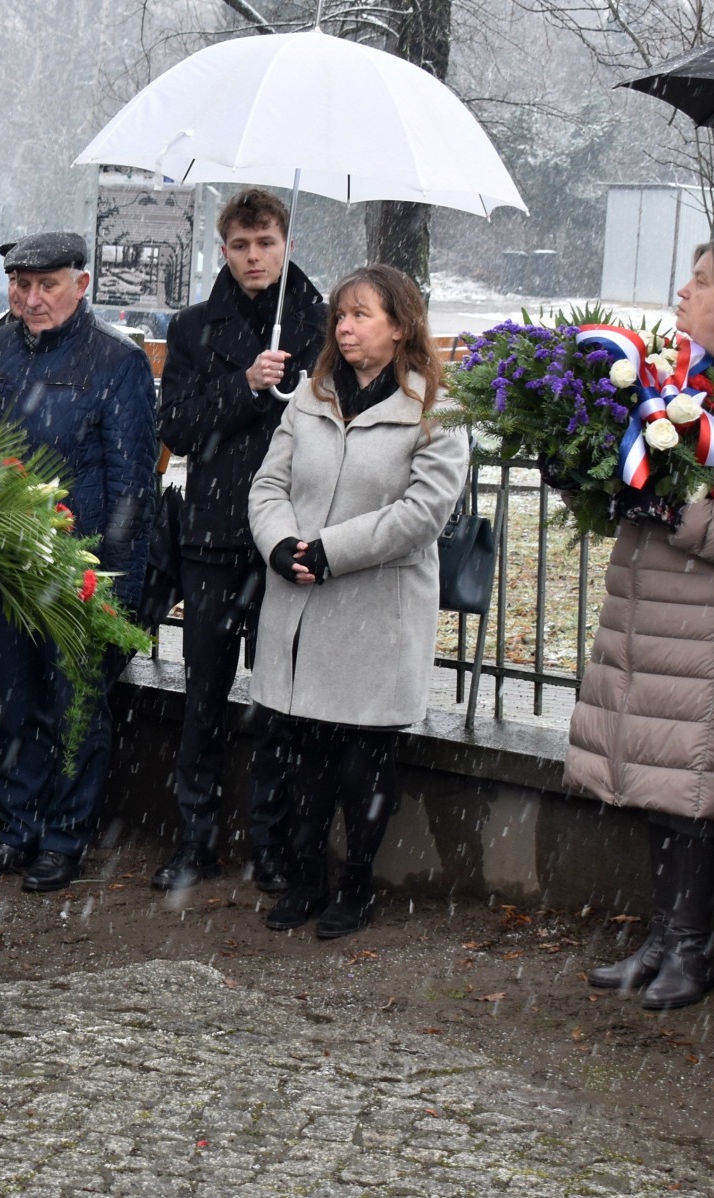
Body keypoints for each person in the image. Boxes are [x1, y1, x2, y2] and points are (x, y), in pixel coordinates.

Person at [568, 235, 714, 1010]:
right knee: (665, 793)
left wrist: (667, 506)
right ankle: (661, 941)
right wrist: (594, 473)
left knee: (695, 797)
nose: (683, 294)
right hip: (662, 621)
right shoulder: (681, 381)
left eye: (701, 283)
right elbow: (632, 488)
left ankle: (691, 953)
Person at [247, 264, 467, 939]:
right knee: (305, 758)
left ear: (400, 326)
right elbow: (267, 485)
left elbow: (423, 512)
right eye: (340, 315)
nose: (344, 327)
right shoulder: (309, 398)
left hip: (375, 609)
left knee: (361, 762)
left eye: (362, 314)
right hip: (303, 602)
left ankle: (356, 885)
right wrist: (281, 544)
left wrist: (332, 549)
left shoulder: (435, 409)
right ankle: (306, 878)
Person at [0, 232, 158, 893]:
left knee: (74, 706)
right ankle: (17, 830)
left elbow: (132, 482)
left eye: (47, 285)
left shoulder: (116, 362)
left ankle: (65, 837)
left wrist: (115, 581)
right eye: (20, 284)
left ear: (83, 283)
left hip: (81, 569)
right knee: (12, 706)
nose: (32, 298)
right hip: (4, 564)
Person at [152, 189, 327, 894]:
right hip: (215, 539)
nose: (255, 258)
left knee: (283, 700)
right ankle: (196, 839)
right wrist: (246, 385)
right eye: (241, 246)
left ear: (285, 243)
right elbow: (181, 427)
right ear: (222, 250)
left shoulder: (319, 321)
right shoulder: (195, 328)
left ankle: (272, 842)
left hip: (288, 538)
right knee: (205, 698)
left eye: (266, 243)